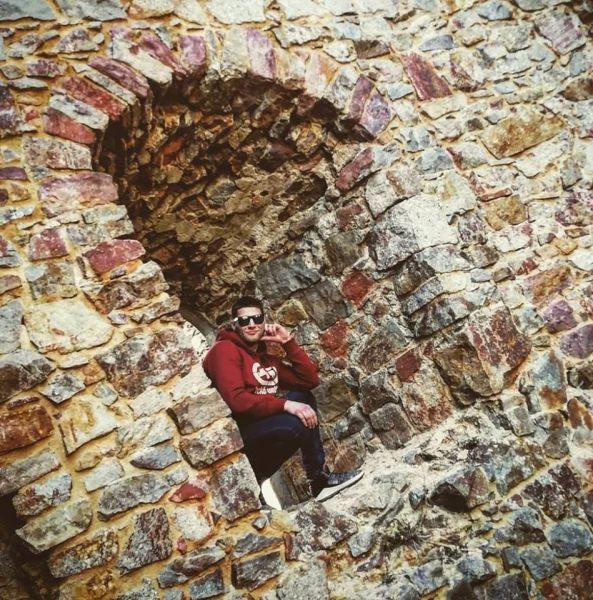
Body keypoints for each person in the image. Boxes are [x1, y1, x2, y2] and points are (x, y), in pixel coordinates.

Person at [202, 295, 363, 506]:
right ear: (236, 324)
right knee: (296, 422)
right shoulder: (223, 350)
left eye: (257, 319)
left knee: (303, 397)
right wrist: (286, 405)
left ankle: (319, 479)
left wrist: (288, 342)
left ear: (264, 322)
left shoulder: (266, 360)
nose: (251, 324)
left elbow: (309, 380)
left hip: (264, 427)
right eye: (244, 320)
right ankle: (261, 474)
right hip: (240, 436)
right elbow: (236, 400)